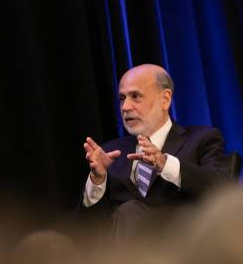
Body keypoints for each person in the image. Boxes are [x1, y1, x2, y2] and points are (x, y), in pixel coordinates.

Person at [79, 64, 233, 234]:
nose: (125, 107)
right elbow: (86, 229)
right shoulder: (110, 153)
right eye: (122, 98)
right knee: (128, 211)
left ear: (165, 99)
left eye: (135, 96)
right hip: (122, 253)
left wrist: (165, 164)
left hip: (183, 249)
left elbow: (222, 187)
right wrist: (97, 181)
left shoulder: (202, 138)